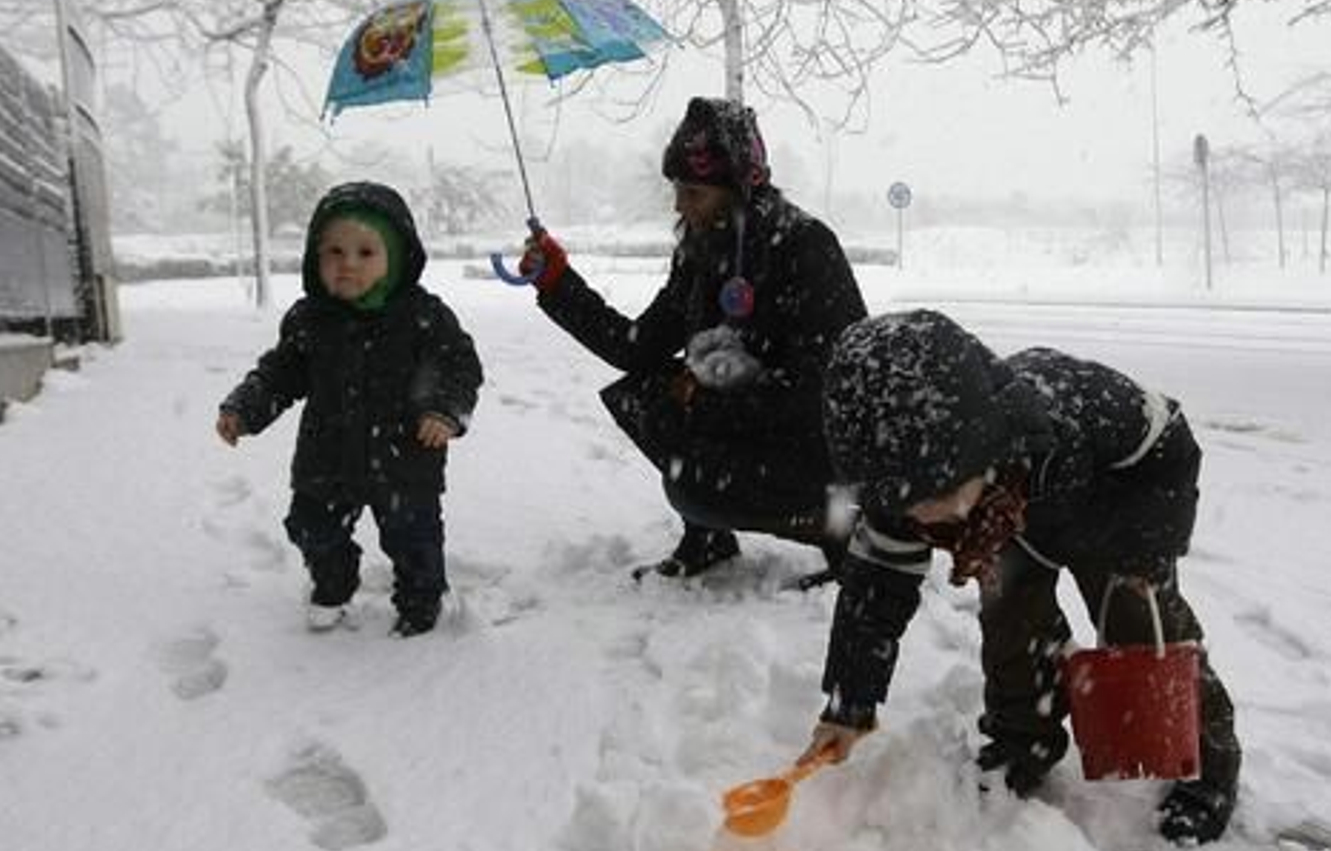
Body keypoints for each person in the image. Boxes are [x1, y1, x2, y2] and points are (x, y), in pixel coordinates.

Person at [802, 309, 1242, 845]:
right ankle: (1022, 741)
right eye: (904, 505)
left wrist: (1146, 552)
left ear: (973, 452)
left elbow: (1170, 444)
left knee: (1142, 631)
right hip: (1013, 520)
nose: (921, 519)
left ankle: (1208, 769)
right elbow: (874, 596)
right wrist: (850, 706)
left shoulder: (1074, 419)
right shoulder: (906, 481)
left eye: (933, 498)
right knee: (1012, 625)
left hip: (1118, 504)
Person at [518, 96, 868, 584]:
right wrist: (558, 283)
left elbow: (827, 388)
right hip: (750, 423)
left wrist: (704, 404)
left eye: (694, 192)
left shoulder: (805, 247)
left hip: (819, 447)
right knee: (644, 396)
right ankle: (706, 538)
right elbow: (639, 347)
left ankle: (843, 534)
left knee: (694, 475)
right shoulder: (702, 252)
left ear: (742, 188)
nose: (679, 205)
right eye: (677, 189)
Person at [216, 181, 483, 636]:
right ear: (314, 258)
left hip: (406, 456)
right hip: (328, 453)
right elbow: (281, 372)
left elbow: (459, 366)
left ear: (395, 257)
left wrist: (442, 411)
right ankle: (334, 583)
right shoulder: (309, 319)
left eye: (365, 252)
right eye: (333, 252)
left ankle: (420, 600)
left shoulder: (423, 316)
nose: (347, 264)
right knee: (312, 527)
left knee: (413, 538)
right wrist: (246, 407)